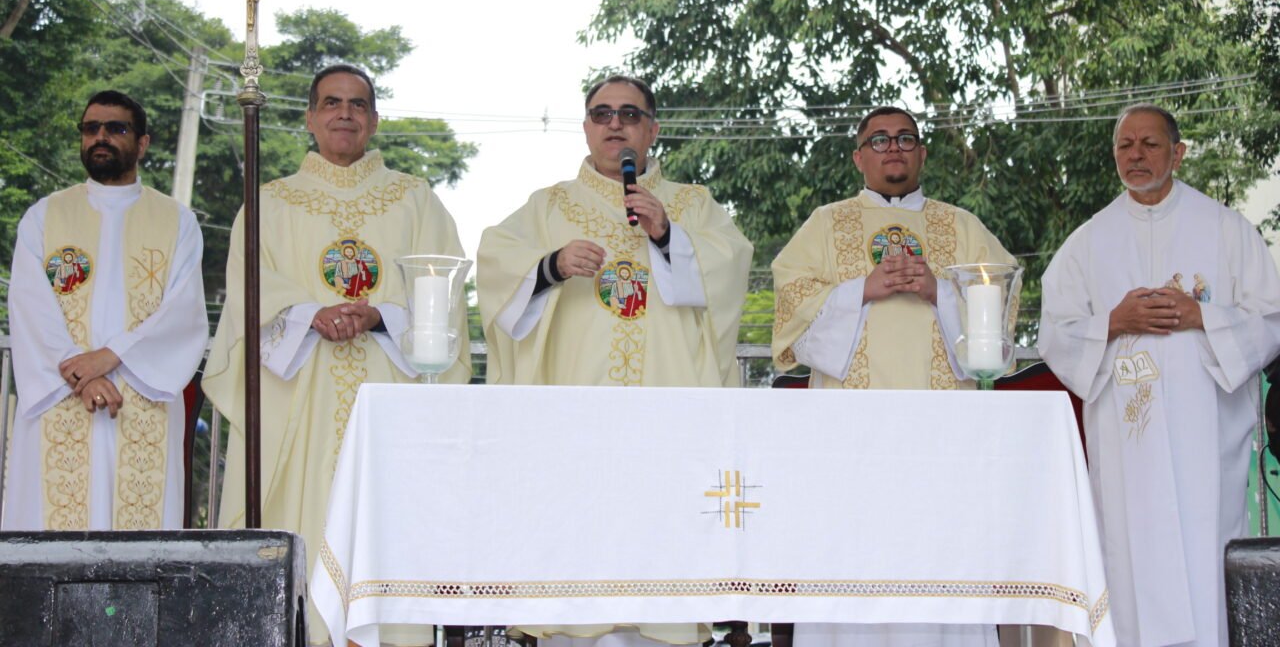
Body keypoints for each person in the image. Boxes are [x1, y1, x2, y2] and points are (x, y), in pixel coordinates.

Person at [478, 74, 752, 647]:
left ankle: (668, 622)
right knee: (578, 524)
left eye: (629, 114)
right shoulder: (549, 205)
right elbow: (497, 263)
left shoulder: (692, 203)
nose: (614, 124)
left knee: (662, 524)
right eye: (601, 114)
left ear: (651, 129)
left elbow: (729, 270)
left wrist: (669, 234)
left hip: (666, 408)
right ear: (585, 128)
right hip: (576, 410)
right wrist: (551, 265)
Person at [203, 63, 469, 647]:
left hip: (385, 390)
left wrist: (381, 313)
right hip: (297, 396)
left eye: (356, 103)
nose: (344, 112)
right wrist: (306, 314)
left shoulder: (415, 200)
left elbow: (442, 287)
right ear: (310, 118)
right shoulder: (267, 202)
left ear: (373, 120)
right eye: (331, 102)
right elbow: (250, 286)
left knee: (385, 525)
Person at [771, 105, 1015, 647]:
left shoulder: (962, 226)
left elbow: (1000, 321)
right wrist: (863, 288)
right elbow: (791, 311)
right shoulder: (825, 224)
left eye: (905, 138)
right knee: (849, 557)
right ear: (859, 157)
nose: (894, 148)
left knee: (941, 558)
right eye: (878, 141)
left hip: (943, 441)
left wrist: (937, 289)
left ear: (922, 152)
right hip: (846, 440)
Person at [1040, 103, 1280, 647]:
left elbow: (1271, 317)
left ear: (1178, 152)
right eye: (1125, 146)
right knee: (1129, 559)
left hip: (1206, 442)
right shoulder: (1088, 241)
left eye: (1149, 144)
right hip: (1127, 448)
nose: (1136, 155)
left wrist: (1204, 317)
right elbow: (1055, 332)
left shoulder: (1224, 229)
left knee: (1205, 555)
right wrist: (1113, 322)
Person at [2, 90, 207, 530]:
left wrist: (108, 358)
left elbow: (183, 314)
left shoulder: (177, 222)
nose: (101, 137)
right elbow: (28, 307)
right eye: (91, 128)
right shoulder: (45, 216)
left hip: (140, 399)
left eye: (116, 128)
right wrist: (83, 375)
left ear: (143, 143)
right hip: (59, 396)